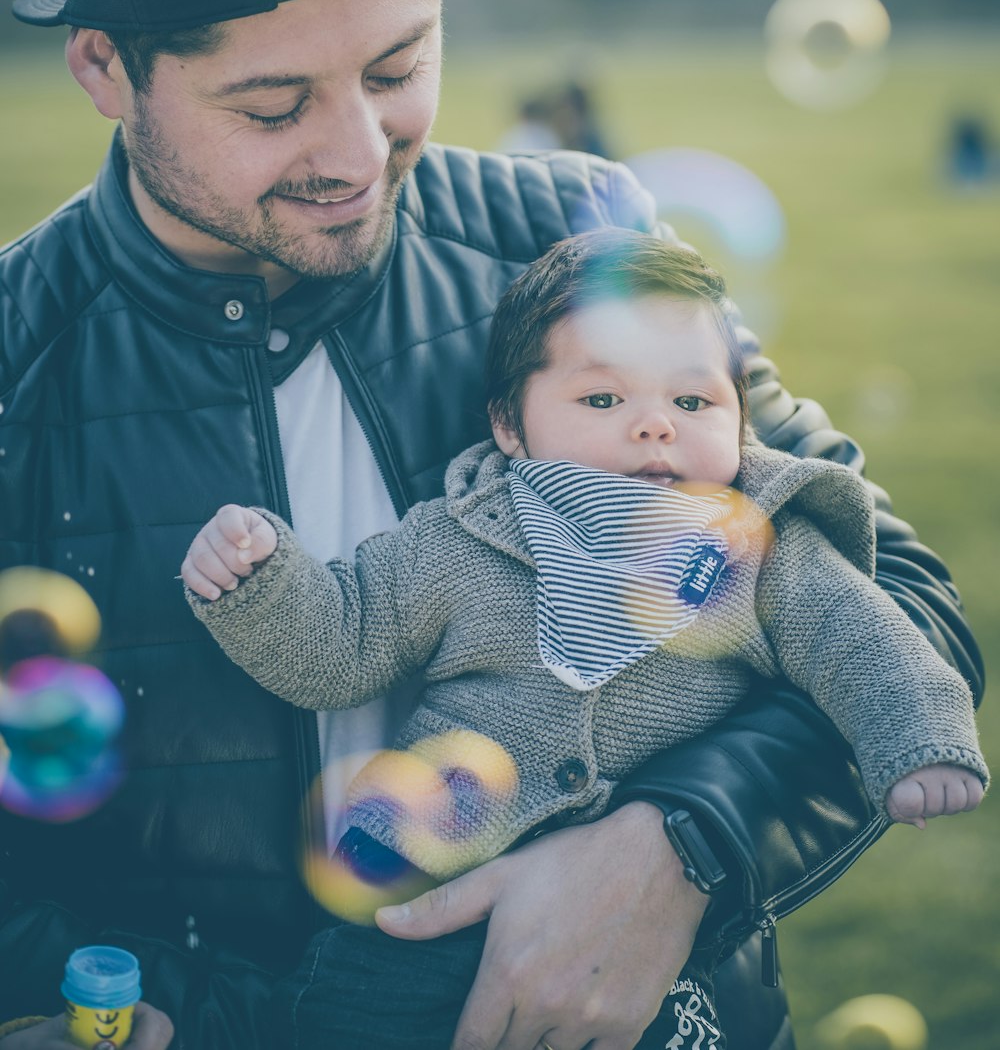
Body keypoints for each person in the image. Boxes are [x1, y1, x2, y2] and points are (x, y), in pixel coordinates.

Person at [0, 0, 984, 1050]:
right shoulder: (20, 359)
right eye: (273, 104)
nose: (357, 156)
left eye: (398, 70)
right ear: (107, 69)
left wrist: (676, 847)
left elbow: (893, 606)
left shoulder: (571, 240)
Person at [181, 229, 987, 1050]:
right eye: (602, 401)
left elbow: (864, 638)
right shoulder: (459, 539)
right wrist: (261, 579)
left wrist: (918, 737)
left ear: (742, 418)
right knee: (341, 1025)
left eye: (693, 402)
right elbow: (340, 646)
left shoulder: (760, 546)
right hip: (424, 906)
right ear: (508, 426)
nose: (654, 428)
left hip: (656, 942)